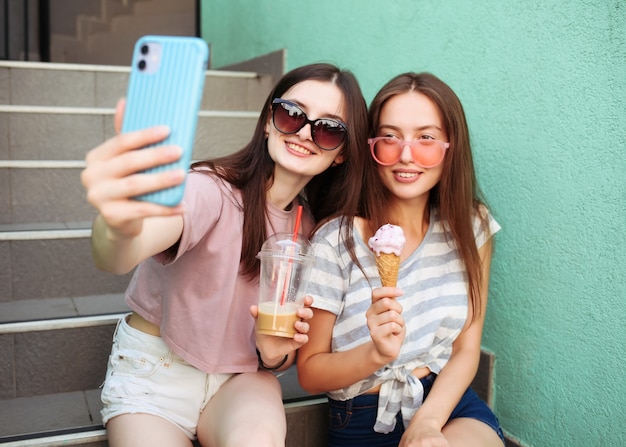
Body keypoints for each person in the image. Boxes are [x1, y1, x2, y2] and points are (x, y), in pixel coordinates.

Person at [80, 63, 368, 447]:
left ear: (341, 154)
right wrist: (116, 224)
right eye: (291, 113)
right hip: (155, 373)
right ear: (269, 120)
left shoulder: (314, 231)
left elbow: (276, 356)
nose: (303, 132)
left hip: (239, 381)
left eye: (329, 129)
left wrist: (271, 355)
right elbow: (119, 255)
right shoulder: (208, 188)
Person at [297, 72, 506, 447]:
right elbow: (310, 372)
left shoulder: (472, 227)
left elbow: (466, 349)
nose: (406, 154)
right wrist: (374, 353)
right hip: (362, 416)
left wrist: (427, 425)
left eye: (425, 137)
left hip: (447, 404)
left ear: (449, 147)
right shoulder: (336, 241)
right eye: (390, 138)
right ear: (372, 148)